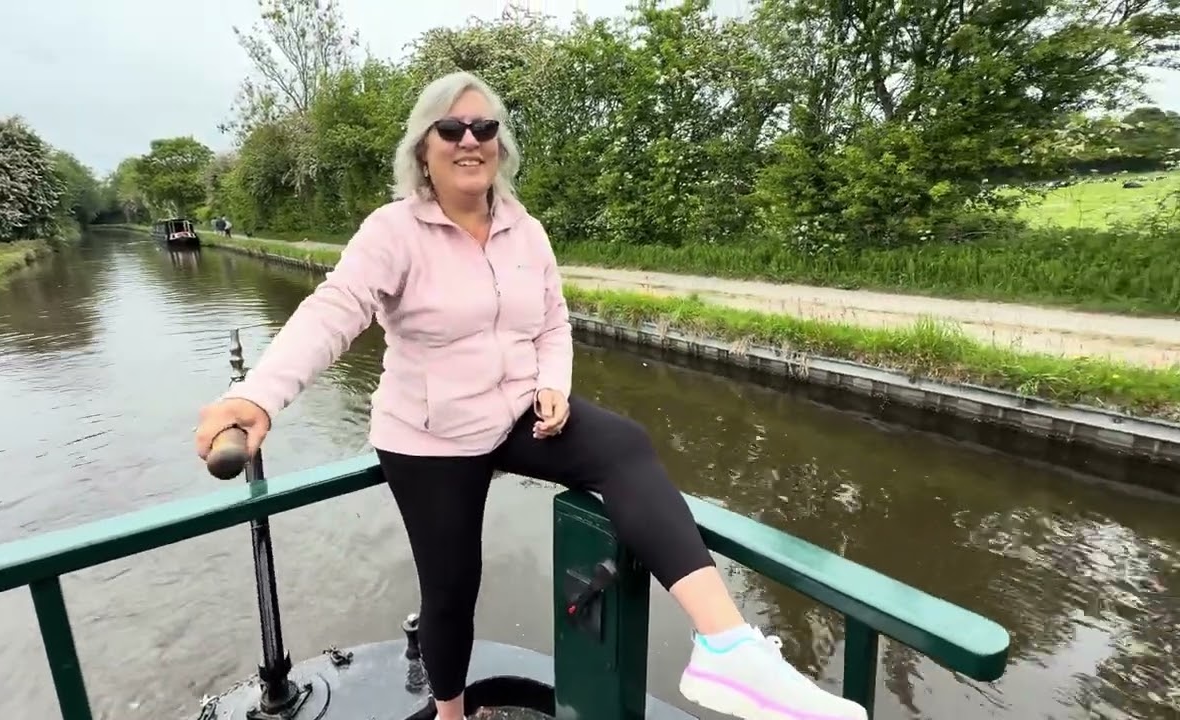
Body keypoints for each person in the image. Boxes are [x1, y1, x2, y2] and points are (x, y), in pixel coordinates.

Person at [193, 71, 867, 720]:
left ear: (500, 145)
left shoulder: (525, 229)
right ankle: (451, 714)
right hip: (429, 437)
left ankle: (728, 649)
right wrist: (259, 396)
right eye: (451, 128)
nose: (469, 139)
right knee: (452, 589)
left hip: (515, 413)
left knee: (624, 446)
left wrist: (552, 386)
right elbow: (333, 312)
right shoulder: (393, 232)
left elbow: (552, 323)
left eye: (483, 127)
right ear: (423, 150)